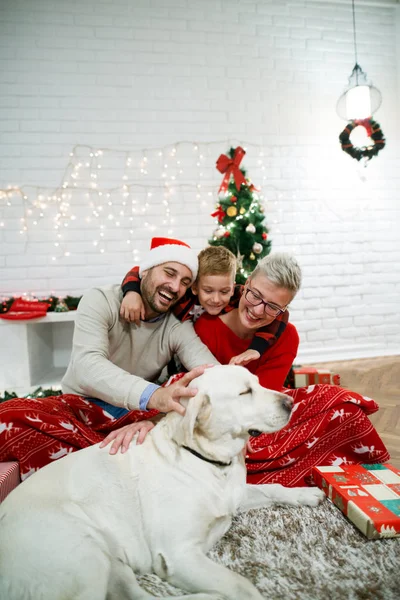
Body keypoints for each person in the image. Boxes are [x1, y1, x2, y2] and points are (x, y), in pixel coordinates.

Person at [0, 237, 220, 476]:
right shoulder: (101, 300)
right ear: (144, 272)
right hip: (82, 409)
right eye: (169, 273)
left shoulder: (176, 326)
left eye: (185, 282)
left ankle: (106, 458)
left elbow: (210, 371)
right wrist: (155, 396)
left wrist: (158, 418)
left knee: (185, 383)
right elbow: (87, 366)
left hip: (134, 416)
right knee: (8, 415)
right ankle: (114, 459)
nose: (176, 287)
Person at [193, 252, 390, 487]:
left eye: (273, 307)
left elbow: (267, 398)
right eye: (255, 295)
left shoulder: (286, 336)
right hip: (224, 418)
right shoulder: (205, 326)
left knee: (346, 407)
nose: (257, 310)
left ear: (284, 310)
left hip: (266, 410)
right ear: (245, 285)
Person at [120, 245, 289, 368]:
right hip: (172, 355)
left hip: (207, 355)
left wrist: (256, 348)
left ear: (233, 287)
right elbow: (139, 271)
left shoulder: (239, 295)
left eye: (224, 291)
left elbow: (280, 313)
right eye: (208, 291)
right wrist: (132, 292)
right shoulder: (183, 293)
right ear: (195, 287)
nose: (216, 299)